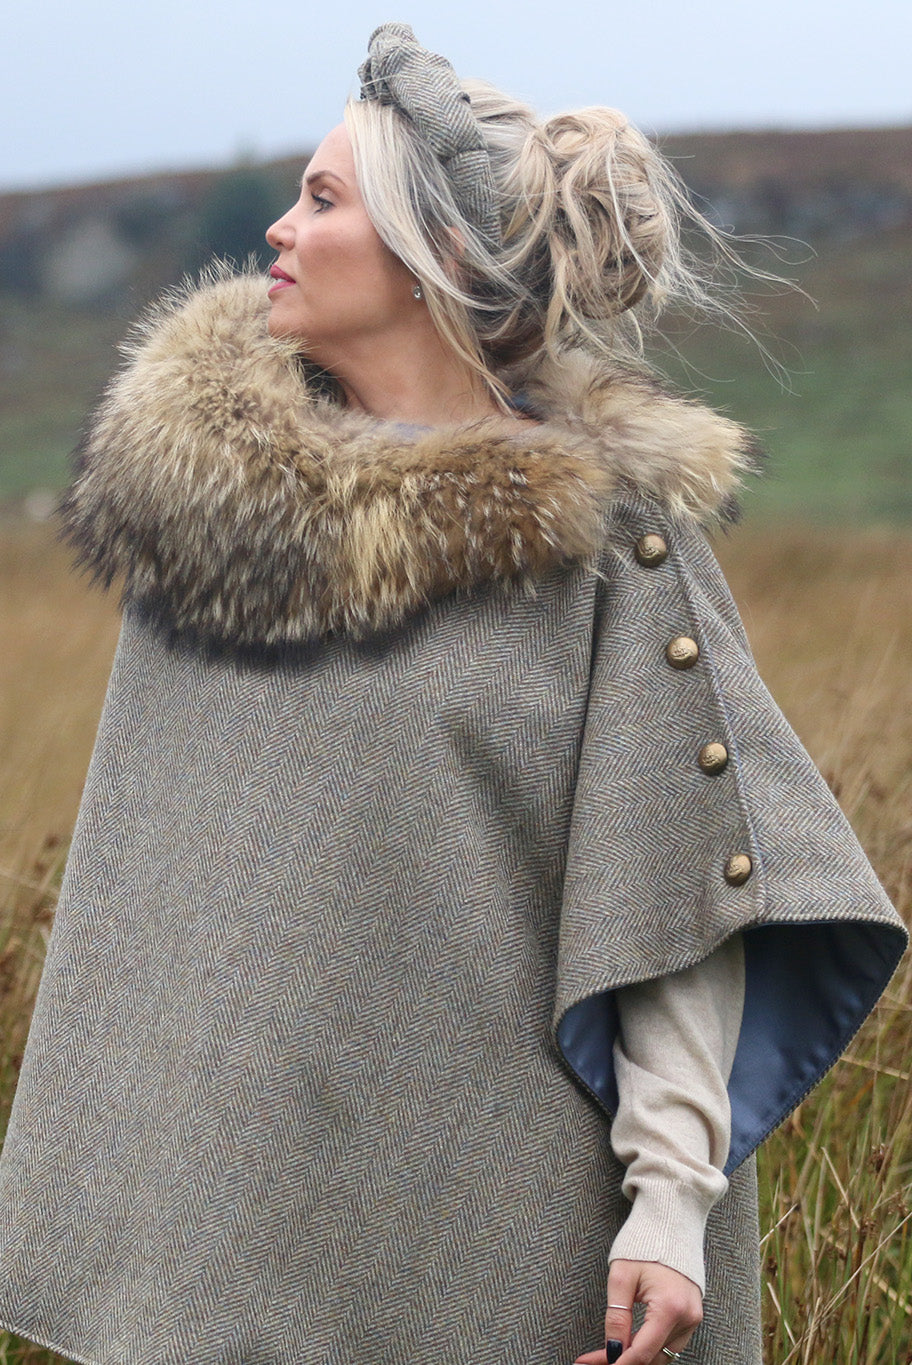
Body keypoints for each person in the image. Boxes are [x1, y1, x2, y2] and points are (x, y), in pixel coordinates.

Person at [0, 22, 905, 1365]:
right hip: (233, 1232)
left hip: (509, 1229)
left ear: (435, 262)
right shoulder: (207, 526)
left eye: (322, 199)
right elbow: (169, 928)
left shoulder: (608, 545)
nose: (277, 228)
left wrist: (669, 1198)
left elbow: (671, 908)